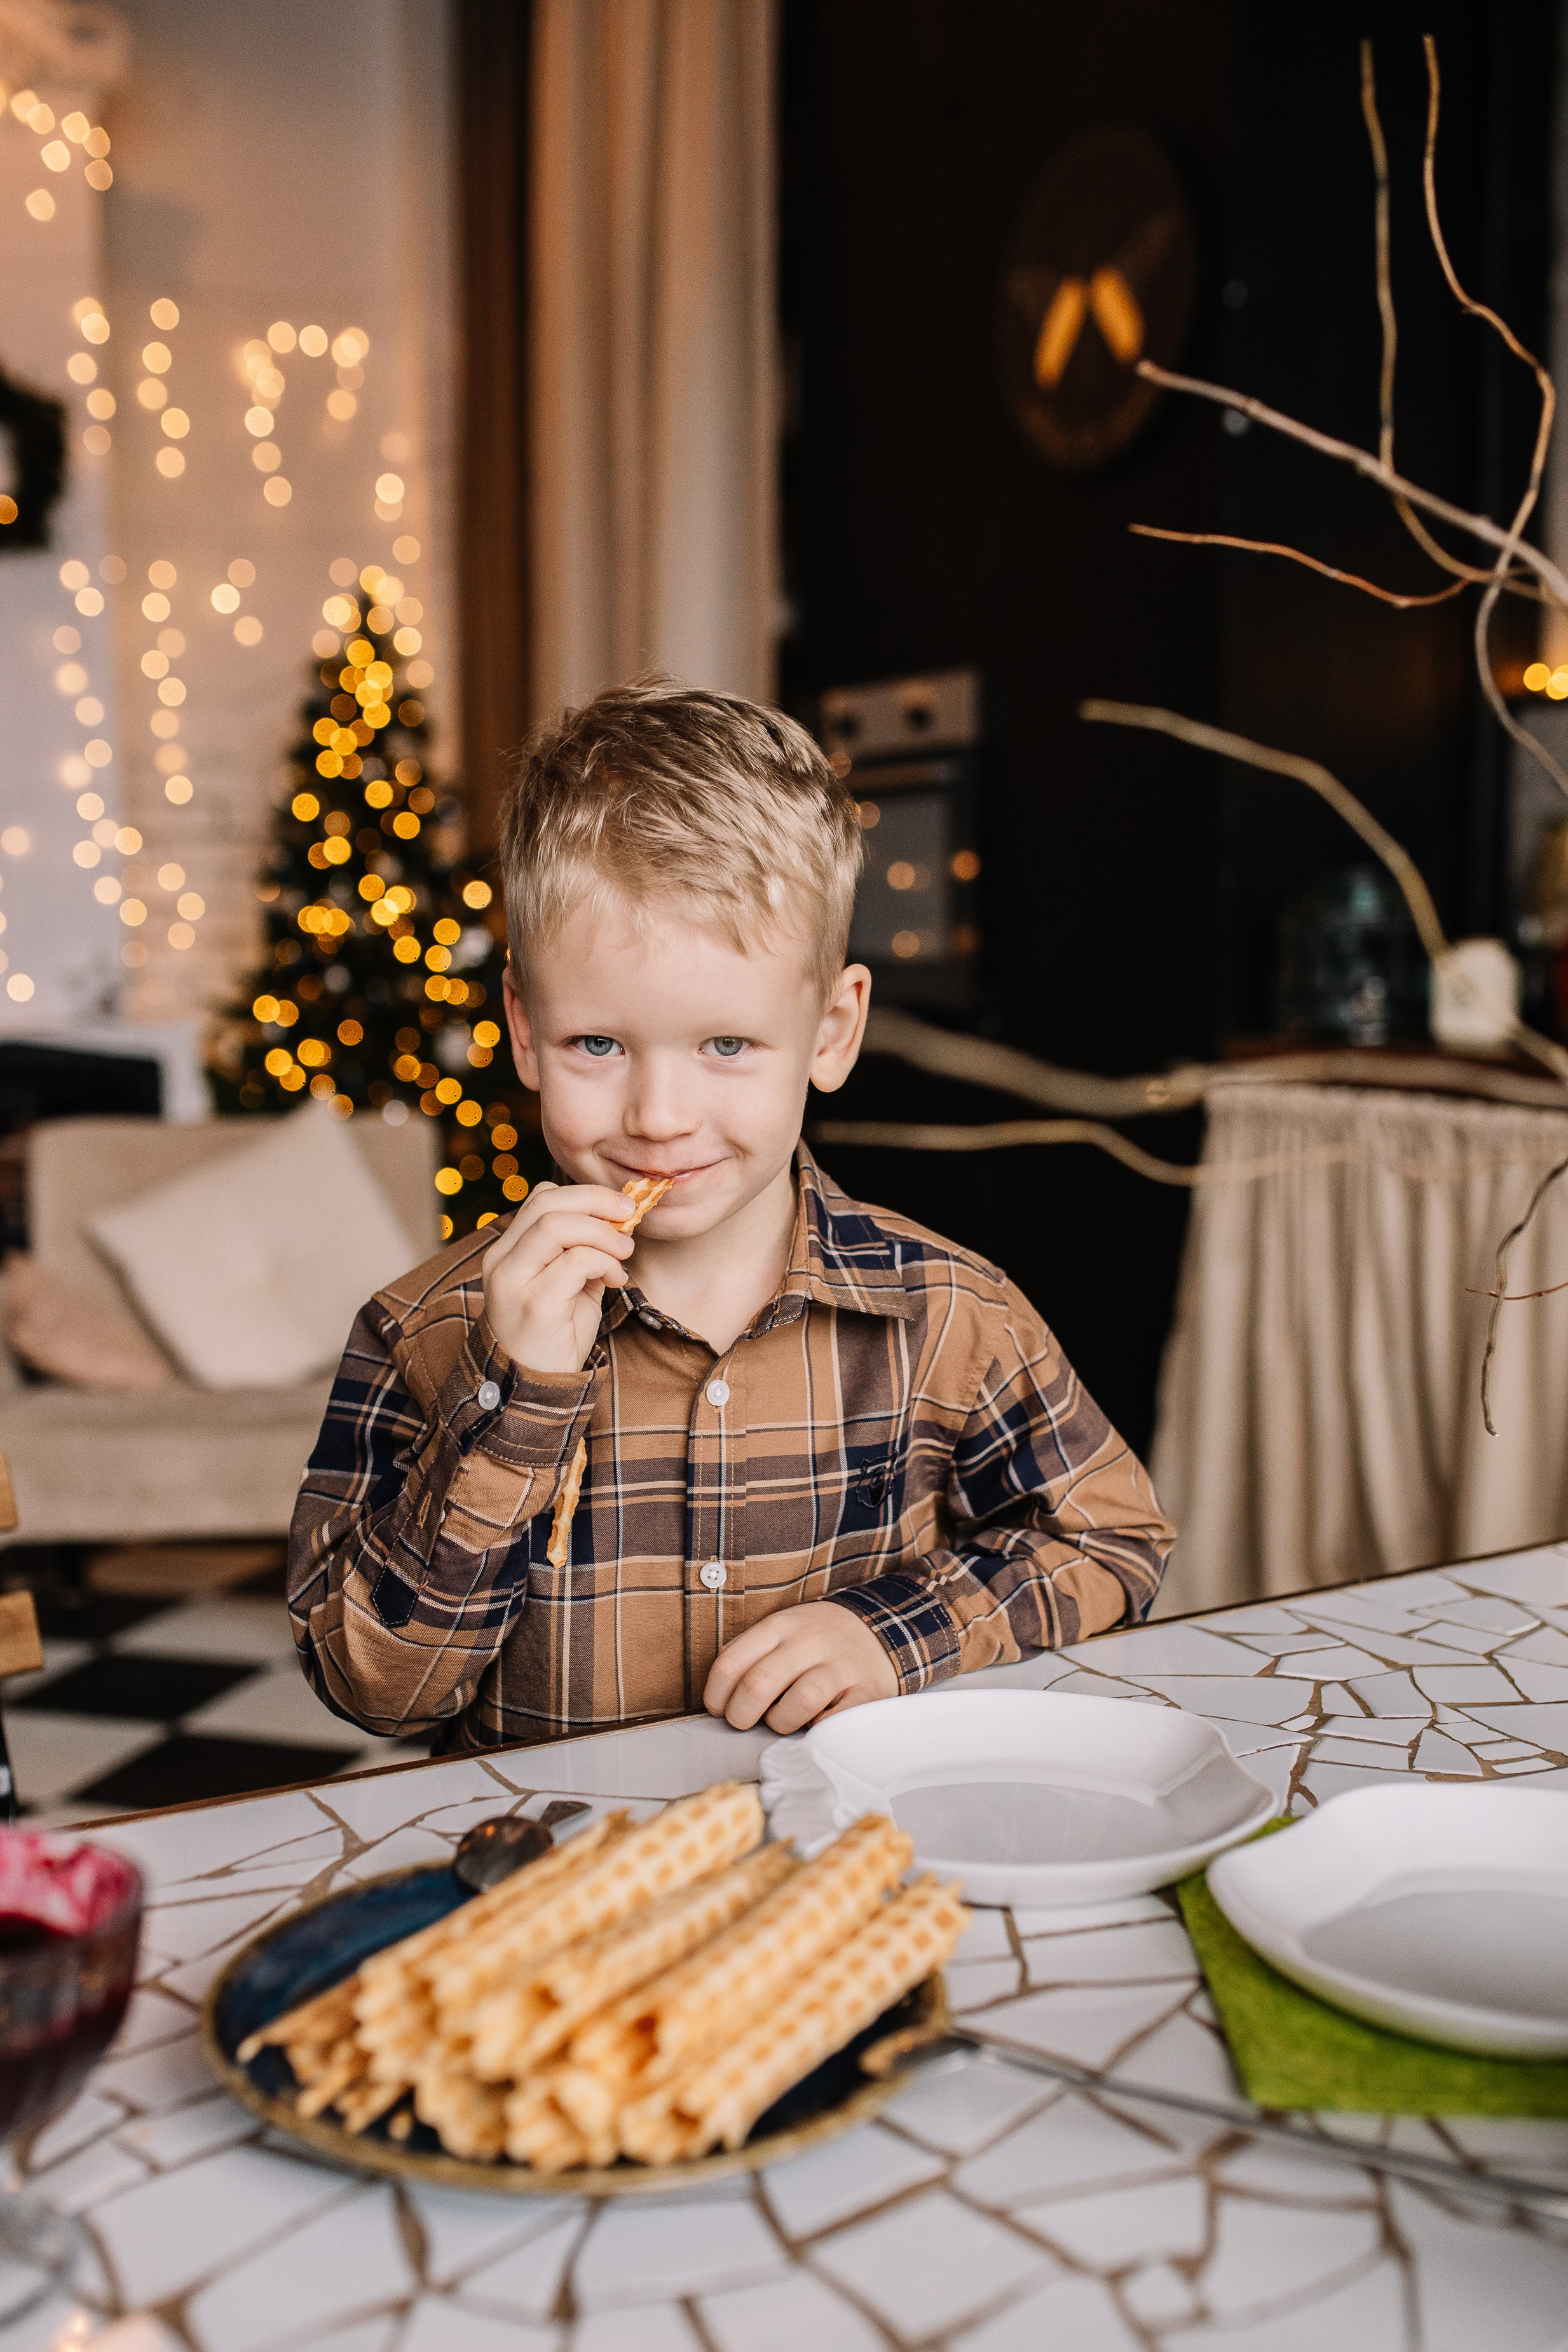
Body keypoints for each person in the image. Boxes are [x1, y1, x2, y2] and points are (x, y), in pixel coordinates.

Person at [289, 678, 1173, 1751]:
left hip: (845, 1869)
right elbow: (371, 1690)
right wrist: (513, 1405)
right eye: (598, 1046)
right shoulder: (424, 1330)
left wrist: (892, 1637)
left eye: (727, 1046)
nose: (660, 1117)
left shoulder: (948, 1312)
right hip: (556, 1889)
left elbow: (1111, 1542)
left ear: (832, 1031)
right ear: (524, 1029)